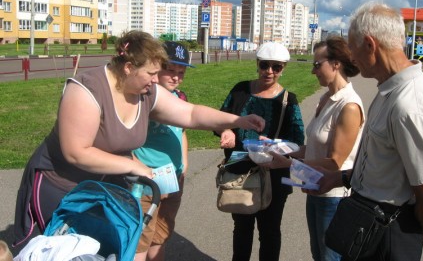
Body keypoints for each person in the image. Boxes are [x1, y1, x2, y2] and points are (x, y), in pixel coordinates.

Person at [13, 31, 265, 247]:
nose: (157, 80)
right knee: (54, 249)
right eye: (151, 73)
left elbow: (189, 112)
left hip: (102, 189)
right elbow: (76, 151)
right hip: (60, 188)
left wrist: (237, 120)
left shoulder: (145, 92)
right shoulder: (86, 89)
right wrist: (133, 165)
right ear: (128, 67)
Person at [312, 2, 423, 261]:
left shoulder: (409, 105)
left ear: (370, 45)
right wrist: (338, 178)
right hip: (372, 222)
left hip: (389, 233)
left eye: (353, 50)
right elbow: (384, 167)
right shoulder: (389, 90)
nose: (352, 59)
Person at [264, 37, 365, 261]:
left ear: (336, 63)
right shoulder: (327, 98)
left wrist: (289, 164)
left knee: (330, 257)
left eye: (317, 64)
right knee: (319, 254)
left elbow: (334, 162)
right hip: (315, 189)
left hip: (335, 196)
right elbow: (315, 148)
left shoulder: (348, 105)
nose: (313, 71)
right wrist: (280, 148)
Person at [217, 42, 305, 261]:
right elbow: (220, 119)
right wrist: (226, 130)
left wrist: (274, 145)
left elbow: (297, 141)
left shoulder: (288, 100)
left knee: (270, 231)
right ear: (257, 64)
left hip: (273, 174)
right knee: (242, 228)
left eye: (277, 67)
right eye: (265, 65)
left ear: (283, 68)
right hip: (240, 173)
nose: (270, 71)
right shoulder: (240, 90)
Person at [134, 41, 194, 261]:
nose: (176, 76)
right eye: (170, 69)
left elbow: (183, 132)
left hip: (174, 178)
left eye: (181, 71)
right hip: (146, 182)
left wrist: (184, 163)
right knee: (140, 240)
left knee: (160, 235)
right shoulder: (142, 99)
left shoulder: (180, 98)